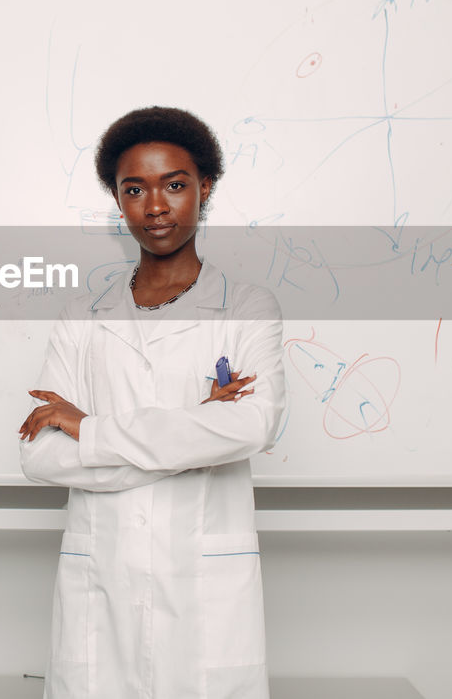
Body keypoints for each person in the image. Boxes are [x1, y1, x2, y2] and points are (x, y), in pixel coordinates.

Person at [18, 106, 286, 699]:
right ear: (118, 200)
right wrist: (194, 432)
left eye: (175, 184)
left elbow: (251, 425)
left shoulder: (246, 307)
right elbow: (39, 456)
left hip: (201, 585)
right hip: (102, 580)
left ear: (204, 188)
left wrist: (89, 430)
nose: (155, 205)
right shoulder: (81, 318)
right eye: (134, 188)